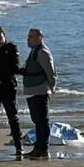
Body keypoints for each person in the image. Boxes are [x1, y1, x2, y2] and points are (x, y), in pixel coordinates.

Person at [0, 25, 24, 159]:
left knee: (12, 117)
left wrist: (1, 77)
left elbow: (15, 67)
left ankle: (19, 147)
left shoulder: (11, 47)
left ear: (3, 34)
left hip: (8, 86)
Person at [21, 28, 57, 159]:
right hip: (32, 91)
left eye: (30, 37)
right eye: (28, 36)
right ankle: (38, 147)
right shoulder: (33, 52)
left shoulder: (42, 52)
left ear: (39, 37)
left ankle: (43, 149)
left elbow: (51, 73)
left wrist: (52, 87)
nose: (28, 39)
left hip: (40, 90)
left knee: (42, 121)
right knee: (37, 121)